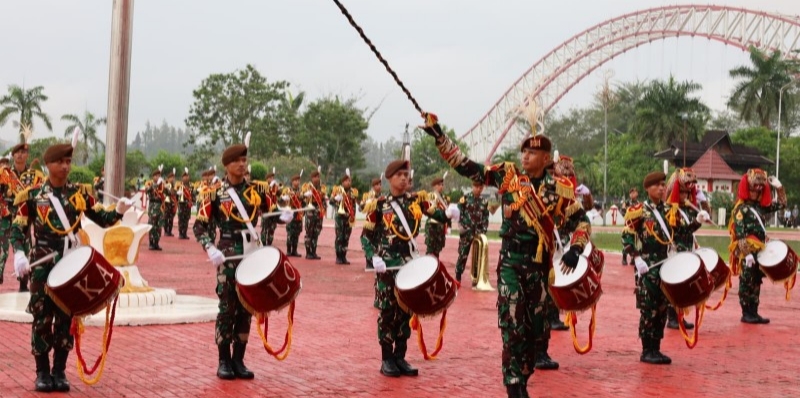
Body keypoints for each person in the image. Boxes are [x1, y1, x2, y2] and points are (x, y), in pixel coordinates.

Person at [420, 112, 590, 398]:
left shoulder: (559, 190)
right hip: (511, 263)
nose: (525, 156)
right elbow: (466, 166)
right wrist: (439, 136)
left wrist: (576, 247)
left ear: (546, 159)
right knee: (512, 326)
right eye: (524, 150)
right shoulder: (507, 175)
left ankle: (522, 378)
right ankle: (513, 386)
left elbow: (581, 222)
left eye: (533, 152)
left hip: (539, 268)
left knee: (536, 333)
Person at [11, 141, 131, 392]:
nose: (65, 167)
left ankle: (60, 371)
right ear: (48, 164)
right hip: (43, 262)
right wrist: (20, 253)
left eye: (68, 162)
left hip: (71, 261)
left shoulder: (79, 194)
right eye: (60, 162)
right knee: (42, 318)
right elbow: (17, 229)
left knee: (66, 318)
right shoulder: (32, 195)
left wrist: (118, 211)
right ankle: (42, 372)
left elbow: (102, 219)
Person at [194, 141, 292, 380]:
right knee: (227, 307)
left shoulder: (258, 191)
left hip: (251, 253)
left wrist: (284, 215)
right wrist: (209, 247)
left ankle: (239, 359)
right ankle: (223, 360)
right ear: (226, 165)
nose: (242, 164)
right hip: (227, 254)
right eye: (237, 161)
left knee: (247, 307)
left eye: (244, 160)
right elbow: (200, 225)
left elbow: (271, 212)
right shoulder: (214, 193)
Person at [361, 159, 456, 378]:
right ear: (389, 178)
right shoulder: (378, 205)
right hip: (387, 267)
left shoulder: (417, 201)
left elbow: (438, 216)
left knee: (406, 311)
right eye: (399, 175)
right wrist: (373, 256)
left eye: (406, 175)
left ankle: (400, 356)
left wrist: (449, 213)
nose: (404, 179)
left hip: (409, 265)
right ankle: (387, 358)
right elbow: (365, 237)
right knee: (387, 312)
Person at [622, 171, 709, 365]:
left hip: (665, 265)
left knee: (661, 308)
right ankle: (647, 350)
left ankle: (656, 348)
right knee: (648, 309)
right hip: (647, 266)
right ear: (647, 188)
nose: (661, 188)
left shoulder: (670, 210)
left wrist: (697, 222)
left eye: (663, 185)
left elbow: (680, 234)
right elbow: (627, 236)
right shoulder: (638, 211)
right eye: (657, 185)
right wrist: (636, 258)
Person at [729, 168, 786, 324]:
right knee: (746, 281)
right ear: (749, 188)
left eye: (761, 187)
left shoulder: (760, 207)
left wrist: (779, 188)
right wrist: (746, 253)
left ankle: (754, 312)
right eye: (755, 187)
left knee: (756, 281)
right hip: (746, 249)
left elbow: (782, 205)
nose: (758, 190)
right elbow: (740, 233)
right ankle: (746, 312)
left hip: (759, 250)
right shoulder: (741, 209)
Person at [663, 168, 708, 330]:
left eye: (688, 193)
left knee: (684, 285)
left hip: (687, 250)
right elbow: (681, 231)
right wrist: (696, 222)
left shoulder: (689, 208)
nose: (685, 196)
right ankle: (672, 317)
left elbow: (693, 227)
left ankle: (680, 316)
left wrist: (704, 206)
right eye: (682, 192)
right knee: (675, 285)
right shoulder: (670, 209)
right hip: (674, 251)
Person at [1, 131, 45, 291]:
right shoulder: (4, 173)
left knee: (25, 248)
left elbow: (41, 193)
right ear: (13, 155)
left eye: (23, 152)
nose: (20, 155)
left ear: (27, 155)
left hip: (24, 218)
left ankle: (23, 283)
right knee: (2, 250)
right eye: (17, 152)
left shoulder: (34, 176)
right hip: (6, 216)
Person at [454, 181, 489, 283]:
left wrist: (483, 231)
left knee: (477, 256)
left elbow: (485, 217)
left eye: (480, 187)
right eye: (476, 186)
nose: (478, 189)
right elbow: (458, 213)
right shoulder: (464, 198)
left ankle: (475, 278)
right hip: (466, 232)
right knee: (463, 254)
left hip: (478, 232)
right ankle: (458, 274)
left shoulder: (484, 201)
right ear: (472, 186)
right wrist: (461, 227)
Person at [360, 177, 384, 308]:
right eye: (376, 184)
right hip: (370, 224)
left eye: (380, 184)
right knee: (368, 241)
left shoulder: (383, 197)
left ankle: (374, 259)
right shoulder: (368, 196)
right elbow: (362, 207)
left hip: (379, 225)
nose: (378, 186)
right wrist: (371, 201)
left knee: (377, 243)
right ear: (372, 186)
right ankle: (369, 261)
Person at [330, 171, 359, 264]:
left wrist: (353, 215)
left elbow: (354, 204)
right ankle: (338, 256)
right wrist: (335, 199)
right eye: (346, 181)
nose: (348, 183)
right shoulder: (337, 190)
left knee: (346, 237)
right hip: (340, 217)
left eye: (349, 181)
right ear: (342, 182)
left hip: (348, 217)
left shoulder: (353, 192)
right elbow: (331, 202)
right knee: (339, 237)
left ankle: (344, 256)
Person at [302, 169, 327, 260]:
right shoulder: (307, 187)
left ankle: (314, 251)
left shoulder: (322, 187)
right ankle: (308, 252)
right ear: (311, 178)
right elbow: (301, 197)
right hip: (310, 212)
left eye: (318, 177)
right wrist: (305, 195)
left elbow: (323, 200)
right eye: (314, 177)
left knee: (316, 233)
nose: (316, 179)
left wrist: (324, 208)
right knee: (309, 232)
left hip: (318, 212)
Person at [424, 176, 449, 257]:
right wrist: (435, 203)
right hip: (432, 226)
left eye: (442, 185)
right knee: (430, 250)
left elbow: (446, 212)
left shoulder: (444, 198)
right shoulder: (430, 196)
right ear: (434, 186)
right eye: (439, 185)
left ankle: (436, 266)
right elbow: (429, 210)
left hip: (440, 226)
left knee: (438, 249)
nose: (441, 187)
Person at [281, 175, 304, 257]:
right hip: (290, 214)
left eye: (298, 180)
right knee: (290, 233)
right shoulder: (288, 190)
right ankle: (288, 250)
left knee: (297, 233)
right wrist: (285, 198)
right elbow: (281, 201)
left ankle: (295, 250)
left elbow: (303, 201)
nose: (297, 182)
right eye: (295, 180)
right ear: (292, 181)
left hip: (298, 214)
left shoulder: (301, 191)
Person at [257, 172, 280, 246]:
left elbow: (279, 195)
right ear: (266, 179)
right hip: (266, 212)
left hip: (273, 212)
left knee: (271, 229)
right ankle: (263, 244)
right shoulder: (263, 187)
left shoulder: (274, 188)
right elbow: (261, 198)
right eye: (270, 178)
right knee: (264, 230)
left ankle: (269, 244)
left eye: (273, 178)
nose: (272, 179)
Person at [145, 169, 166, 250]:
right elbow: (147, 190)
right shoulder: (149, 183)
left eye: (159, 176)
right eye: (156, 176)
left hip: (160, 207)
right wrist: (155, 184)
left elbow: (168, 192)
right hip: (153, 206)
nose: (158, 177)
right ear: (153, 176)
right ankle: (151, 243)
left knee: (158, 226)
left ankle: (156, 243)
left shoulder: (162, 185)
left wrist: (165, 185)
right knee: (152, 225)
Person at [620, 188, 640, 265]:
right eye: (631, 193)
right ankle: (624, 257)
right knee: (628, 243)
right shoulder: (627, 203)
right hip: (628, 226)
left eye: (634, 192)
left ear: (637, 194)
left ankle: (633, 259)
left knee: (635, 243)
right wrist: (628, 213)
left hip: (636, 226)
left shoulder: (639, 203)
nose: (632, 194)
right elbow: (623, 212)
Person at [176, 169, 193, 240]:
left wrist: (192, 201)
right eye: (184, 177)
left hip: (188, 206)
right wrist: (177, 193)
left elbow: (193, 195)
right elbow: (174, 194)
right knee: (181, 220)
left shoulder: (191, 186)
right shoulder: (179, 185)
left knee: (186, 220)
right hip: (181, 205)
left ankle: (184, 233)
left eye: (187, 176)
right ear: (182, 178)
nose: (186, 178)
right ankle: (180, 233)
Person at [163, 170, 177, 237]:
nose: (172, 179)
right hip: (167, 203)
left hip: (172, 203)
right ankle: (166, 231)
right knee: (166, 217)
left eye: (173, 178)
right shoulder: (166, 184)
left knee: (171, 218)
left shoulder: (174, 185)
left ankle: (170, 231)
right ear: (168, 178)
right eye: (171, 178)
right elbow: (166, 193)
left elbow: (174, 193)